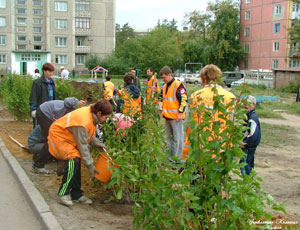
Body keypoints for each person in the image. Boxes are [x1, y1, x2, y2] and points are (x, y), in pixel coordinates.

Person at [48, 100, 113, 206]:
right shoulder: (83, 121)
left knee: (76, 159)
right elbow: (82, 145)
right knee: (74, 159)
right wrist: (90, 165)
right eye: (106, 117)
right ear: (99, 113)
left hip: (69, 137)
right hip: (58, 137)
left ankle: (76, 194)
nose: (107, 120)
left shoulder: (92, 115)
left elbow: (87, 135)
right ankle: (63, 193)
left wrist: (96, 143)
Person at [186, 64, 236, 159]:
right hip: (221, 148)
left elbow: (189, 123)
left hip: (200, 148)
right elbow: (234, 124)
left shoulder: (195, 96)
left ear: (204, 78)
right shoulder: (230, 97)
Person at [160, 66, 187, 161]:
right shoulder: (165, 86)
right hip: (167, 116)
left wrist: (180, 113)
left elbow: (184, 99)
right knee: (169, 139)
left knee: (178, 139)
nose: (163, 80)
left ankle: (177, 159)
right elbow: (163, 99)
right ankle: (171, 157)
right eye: (162, 78)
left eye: (164, 77)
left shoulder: (178, 84)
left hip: (176, 117)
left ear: (170, 75)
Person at [29, 63, 56, 128]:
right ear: (44, 71)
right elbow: (33, 96)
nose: (51, 73)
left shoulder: (51, 82)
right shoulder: (37, 82)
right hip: (41, 109)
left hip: (50, 109)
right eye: (49, 71)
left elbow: (53, 97)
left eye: (52, 72)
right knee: (39, 128)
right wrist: (33, 109)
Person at [240, 95, 261, 176]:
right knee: (247, 165)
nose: (245, 105)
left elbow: (253, 134)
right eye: (244, 103)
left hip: (248, 147)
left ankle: (247, 185)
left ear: (254, 105)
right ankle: (249, 184)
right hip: (248, 146)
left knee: (245, 167)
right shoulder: (248, 116)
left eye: (248, 103)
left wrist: (245, 143)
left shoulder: (252, 118)